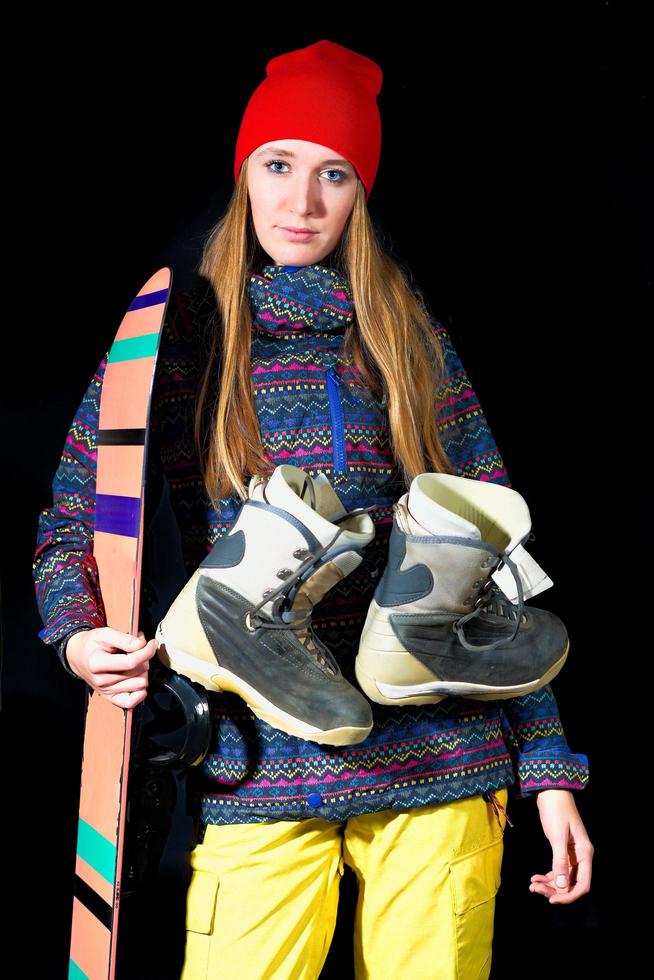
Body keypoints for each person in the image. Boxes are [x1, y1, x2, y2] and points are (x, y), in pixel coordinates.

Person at [33, 39, 593, 979]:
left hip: (440, 757)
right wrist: (80, 637)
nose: (302, 201)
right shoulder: (183, 349)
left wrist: (549, 771)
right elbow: (69, 526)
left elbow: (492, 568)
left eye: (334, 174)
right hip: (260, 762)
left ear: (361, 193)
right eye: (279, 165)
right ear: (245, 172)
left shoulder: (410, 345)